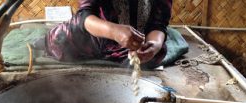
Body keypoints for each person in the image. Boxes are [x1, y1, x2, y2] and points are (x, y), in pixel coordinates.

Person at [43, 0, 172, 68]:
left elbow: (159, 23)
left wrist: (154, 45)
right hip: (97, 32)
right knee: (59, 41)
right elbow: (84, 16)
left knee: (150, 57)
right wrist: (113, 32)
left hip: (137, 39)